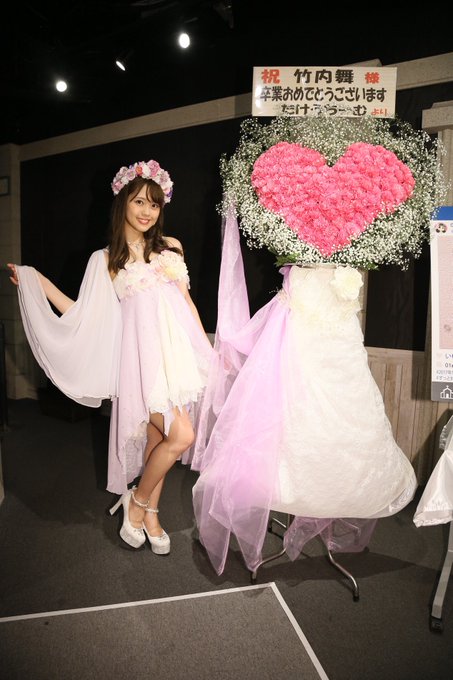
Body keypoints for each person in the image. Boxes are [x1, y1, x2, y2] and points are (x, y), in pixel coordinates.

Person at [8, 159, 213, 555]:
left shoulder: (171, 248)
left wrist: (205, 351)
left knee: (161, 439)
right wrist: (37, 281)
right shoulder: (105, 260)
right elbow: (82, 313)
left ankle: (150, 513)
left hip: (177, 359)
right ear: (123, 203)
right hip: (142, 364)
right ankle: (137, 501)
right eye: (139, 202)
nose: (147, 212)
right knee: (181, 436)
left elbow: (187, 304)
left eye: (154, 204)